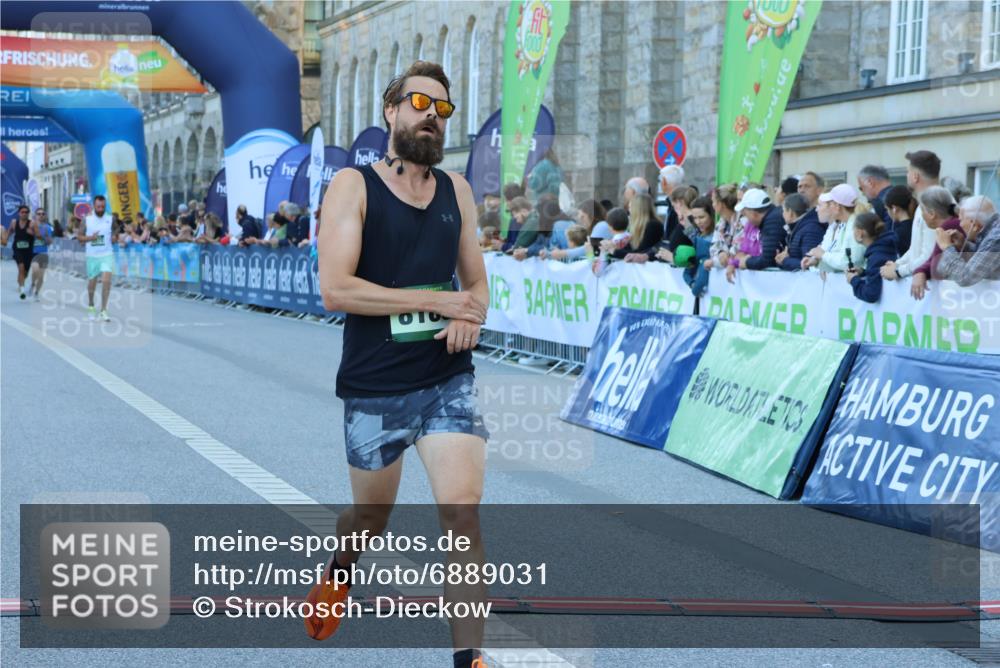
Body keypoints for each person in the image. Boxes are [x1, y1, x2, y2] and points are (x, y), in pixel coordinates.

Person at [312, 60, 489, 668]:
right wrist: (435, 300)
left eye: (443, 109)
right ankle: (342, 566)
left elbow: (477, 287)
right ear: (390, 111)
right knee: (369, 518)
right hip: (375, 383)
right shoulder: (351, 187)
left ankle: (469, 659)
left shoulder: (458, 191)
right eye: (420, 103)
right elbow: (335, 290)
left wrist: (468, 315)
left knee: (461, 513)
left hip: (445, 378)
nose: (431, 117)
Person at [882, 150, 941, 282]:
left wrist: (898, 271)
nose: (906, 175)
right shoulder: (922, 205)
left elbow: (929, 255)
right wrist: (897, 264)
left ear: (915, 176)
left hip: (930, 289)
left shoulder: (935, 205)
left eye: (908, 172)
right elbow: (916, 248)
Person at [910, 185, 962, 300]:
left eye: (922, 210)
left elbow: (935, 265)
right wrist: (920, 271)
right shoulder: (954, 222)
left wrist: (920, 272)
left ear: (932, 214)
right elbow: (934, 259)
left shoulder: (949, 226)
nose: (922, 216)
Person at [802, 184, 866, 274]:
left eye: (831, 204)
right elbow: (836, 259)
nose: (816, 209)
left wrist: (822, 255)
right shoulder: (843, 225)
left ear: (837, 206)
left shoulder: (855, 226)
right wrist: (818, 261)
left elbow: (849, 263)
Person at [936, 195, 999, 285]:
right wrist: (965, 245)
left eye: (961, 220)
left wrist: (947, 247)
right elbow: (985, 255)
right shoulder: (994, 231)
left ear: (974, 225)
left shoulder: (996, 239)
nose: (960, 225)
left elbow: (965, 277)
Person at [77, 195, 115, 321]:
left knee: (106, 281)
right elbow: (79, 237)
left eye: (103, 207)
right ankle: (91, 305)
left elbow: (116, 231)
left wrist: (115, 237)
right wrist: (90, 238)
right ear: (94, 206)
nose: (100, 209)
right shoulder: (86, 220)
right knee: (92, 283)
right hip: (92, 255)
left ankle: (104, 310)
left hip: (106, 254)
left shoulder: (110, 218)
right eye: (98, 206)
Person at [847, 212, 897, 303]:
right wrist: (864, 272)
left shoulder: (876, 256)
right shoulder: (885, 247)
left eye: (853, 229)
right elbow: (879, 272)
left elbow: (871, 294)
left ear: (859, 233)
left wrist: (853, 280)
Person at [731, 187, 786, 271]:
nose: (746, 218)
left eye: (745, 214)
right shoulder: (772, 217)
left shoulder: (772, 222)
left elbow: (767, 259)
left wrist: (746, 262)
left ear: (754, 213)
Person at [777, 193, 825, 271]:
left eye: (783, 211)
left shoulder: (810, 230)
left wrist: (785, 260)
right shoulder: (798, 228)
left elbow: (809, 264)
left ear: (790, 212)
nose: (782, 214)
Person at [609, 192, 663, 261]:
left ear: (637, 209)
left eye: (630, 207)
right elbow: (630, 248)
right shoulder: (640, 225)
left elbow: (640, 253)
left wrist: (614, 251)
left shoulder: (653, 225)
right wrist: (611, 248)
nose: (629, 211)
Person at [682, 196, 716, 297]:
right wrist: (692, 284)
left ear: (711, 215)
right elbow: (688, 270)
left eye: (701, 217)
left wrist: (695, 289)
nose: (697, 222)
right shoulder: (698, 237)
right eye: (695, 218)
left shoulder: (718, 237)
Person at [3, 205, 37, 299]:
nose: (24, 214)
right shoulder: (14, 223)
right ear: (19, 213)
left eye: (26, 212)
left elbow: (38, 236)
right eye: (22, 212)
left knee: (25, 272)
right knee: (21, 268)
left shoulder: (32, 224)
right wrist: (5, 239)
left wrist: (32, 233)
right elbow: (9, 232)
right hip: (17, 249)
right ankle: (22, 290)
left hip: (28, 251)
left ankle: (21, 282)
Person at [706, 184, 741, 272]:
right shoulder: (720, 224)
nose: (712, 205)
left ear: (721, 204)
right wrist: (720, 253)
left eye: (713, 201)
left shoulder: (742, 221)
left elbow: (738, 250)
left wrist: (714, 262)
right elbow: (713, 249)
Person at [883, 185, 916, 255]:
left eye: (887, 209)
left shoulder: (898, 233)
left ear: (894, 208)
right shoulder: (915, 224)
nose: (888, 213)